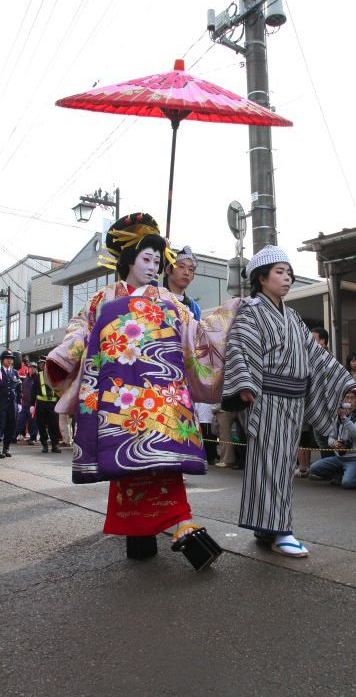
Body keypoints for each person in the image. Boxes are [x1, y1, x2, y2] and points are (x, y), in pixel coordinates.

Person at [45, 212, 239, 565]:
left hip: (161, 398)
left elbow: (196, 336)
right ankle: (149, 535)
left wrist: (228, 317)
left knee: (160, 464)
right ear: (128, 261)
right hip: (120, 398)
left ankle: (169, 527)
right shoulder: (101, 300)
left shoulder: (168, 300)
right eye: (146, 259)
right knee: (126, 464)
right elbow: (79, 332)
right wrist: (64, 357)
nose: (153, 267)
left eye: (156, 260)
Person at [221, 245, 355, 558]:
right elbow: (238, 347)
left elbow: (315, 356)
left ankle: (265, 527)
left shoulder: (293, 316)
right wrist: (244, 383)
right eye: (280, 272)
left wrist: (342, 379)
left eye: (289, 272)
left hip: (293, 401)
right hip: (266, 397)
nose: (287, 278)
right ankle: (281, 530)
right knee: (271, 464)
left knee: (280, 464)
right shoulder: (251, 311)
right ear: (261, 278)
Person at [308, 388, 356, 489]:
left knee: (347, 484)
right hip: (339, 457)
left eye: (352, 398)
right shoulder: (338, 417)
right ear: (342, 401)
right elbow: (331, 437)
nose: (349, 401)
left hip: (354, 458)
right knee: (314, 468)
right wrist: (334, 443)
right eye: (347, 398)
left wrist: (344, 418)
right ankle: (340, 474)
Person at [31, 356, 61, 453]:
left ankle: (55, 445)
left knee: (54, 425)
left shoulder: (55, 375)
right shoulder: (37, 376)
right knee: (41, 425)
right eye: (40, 364)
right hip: (41, 404)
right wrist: (32, 405)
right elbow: (33, 391)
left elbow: (60, 390)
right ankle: (44, 444)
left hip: (53, 404)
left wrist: (61, 402)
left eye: (43, 363)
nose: (41, 365)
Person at [163, 245, 201, 319]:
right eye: (181, 267)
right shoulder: (157, 298)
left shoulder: (194, 308)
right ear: (168, 269)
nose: (186, 272)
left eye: (191, 269)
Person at [0, 348, 22, 458]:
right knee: (1, 425)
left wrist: (19, 403)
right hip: (1, 403)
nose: (9, 360)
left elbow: (18, 389)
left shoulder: (15, 373)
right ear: (2, 360)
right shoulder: (0, 372)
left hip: (12, 404)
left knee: (11, 426)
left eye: (11, 359)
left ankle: (6, 448)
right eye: (7, 358)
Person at [16, 361, 38, 445]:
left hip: (33, 405)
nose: (32, 369)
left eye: (33, 367)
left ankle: (32, 438)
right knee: (20, 421)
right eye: (30, 367)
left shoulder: (37, 379)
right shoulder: (26, 378)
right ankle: (15, 435)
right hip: (24, 404)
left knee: (33, 423)